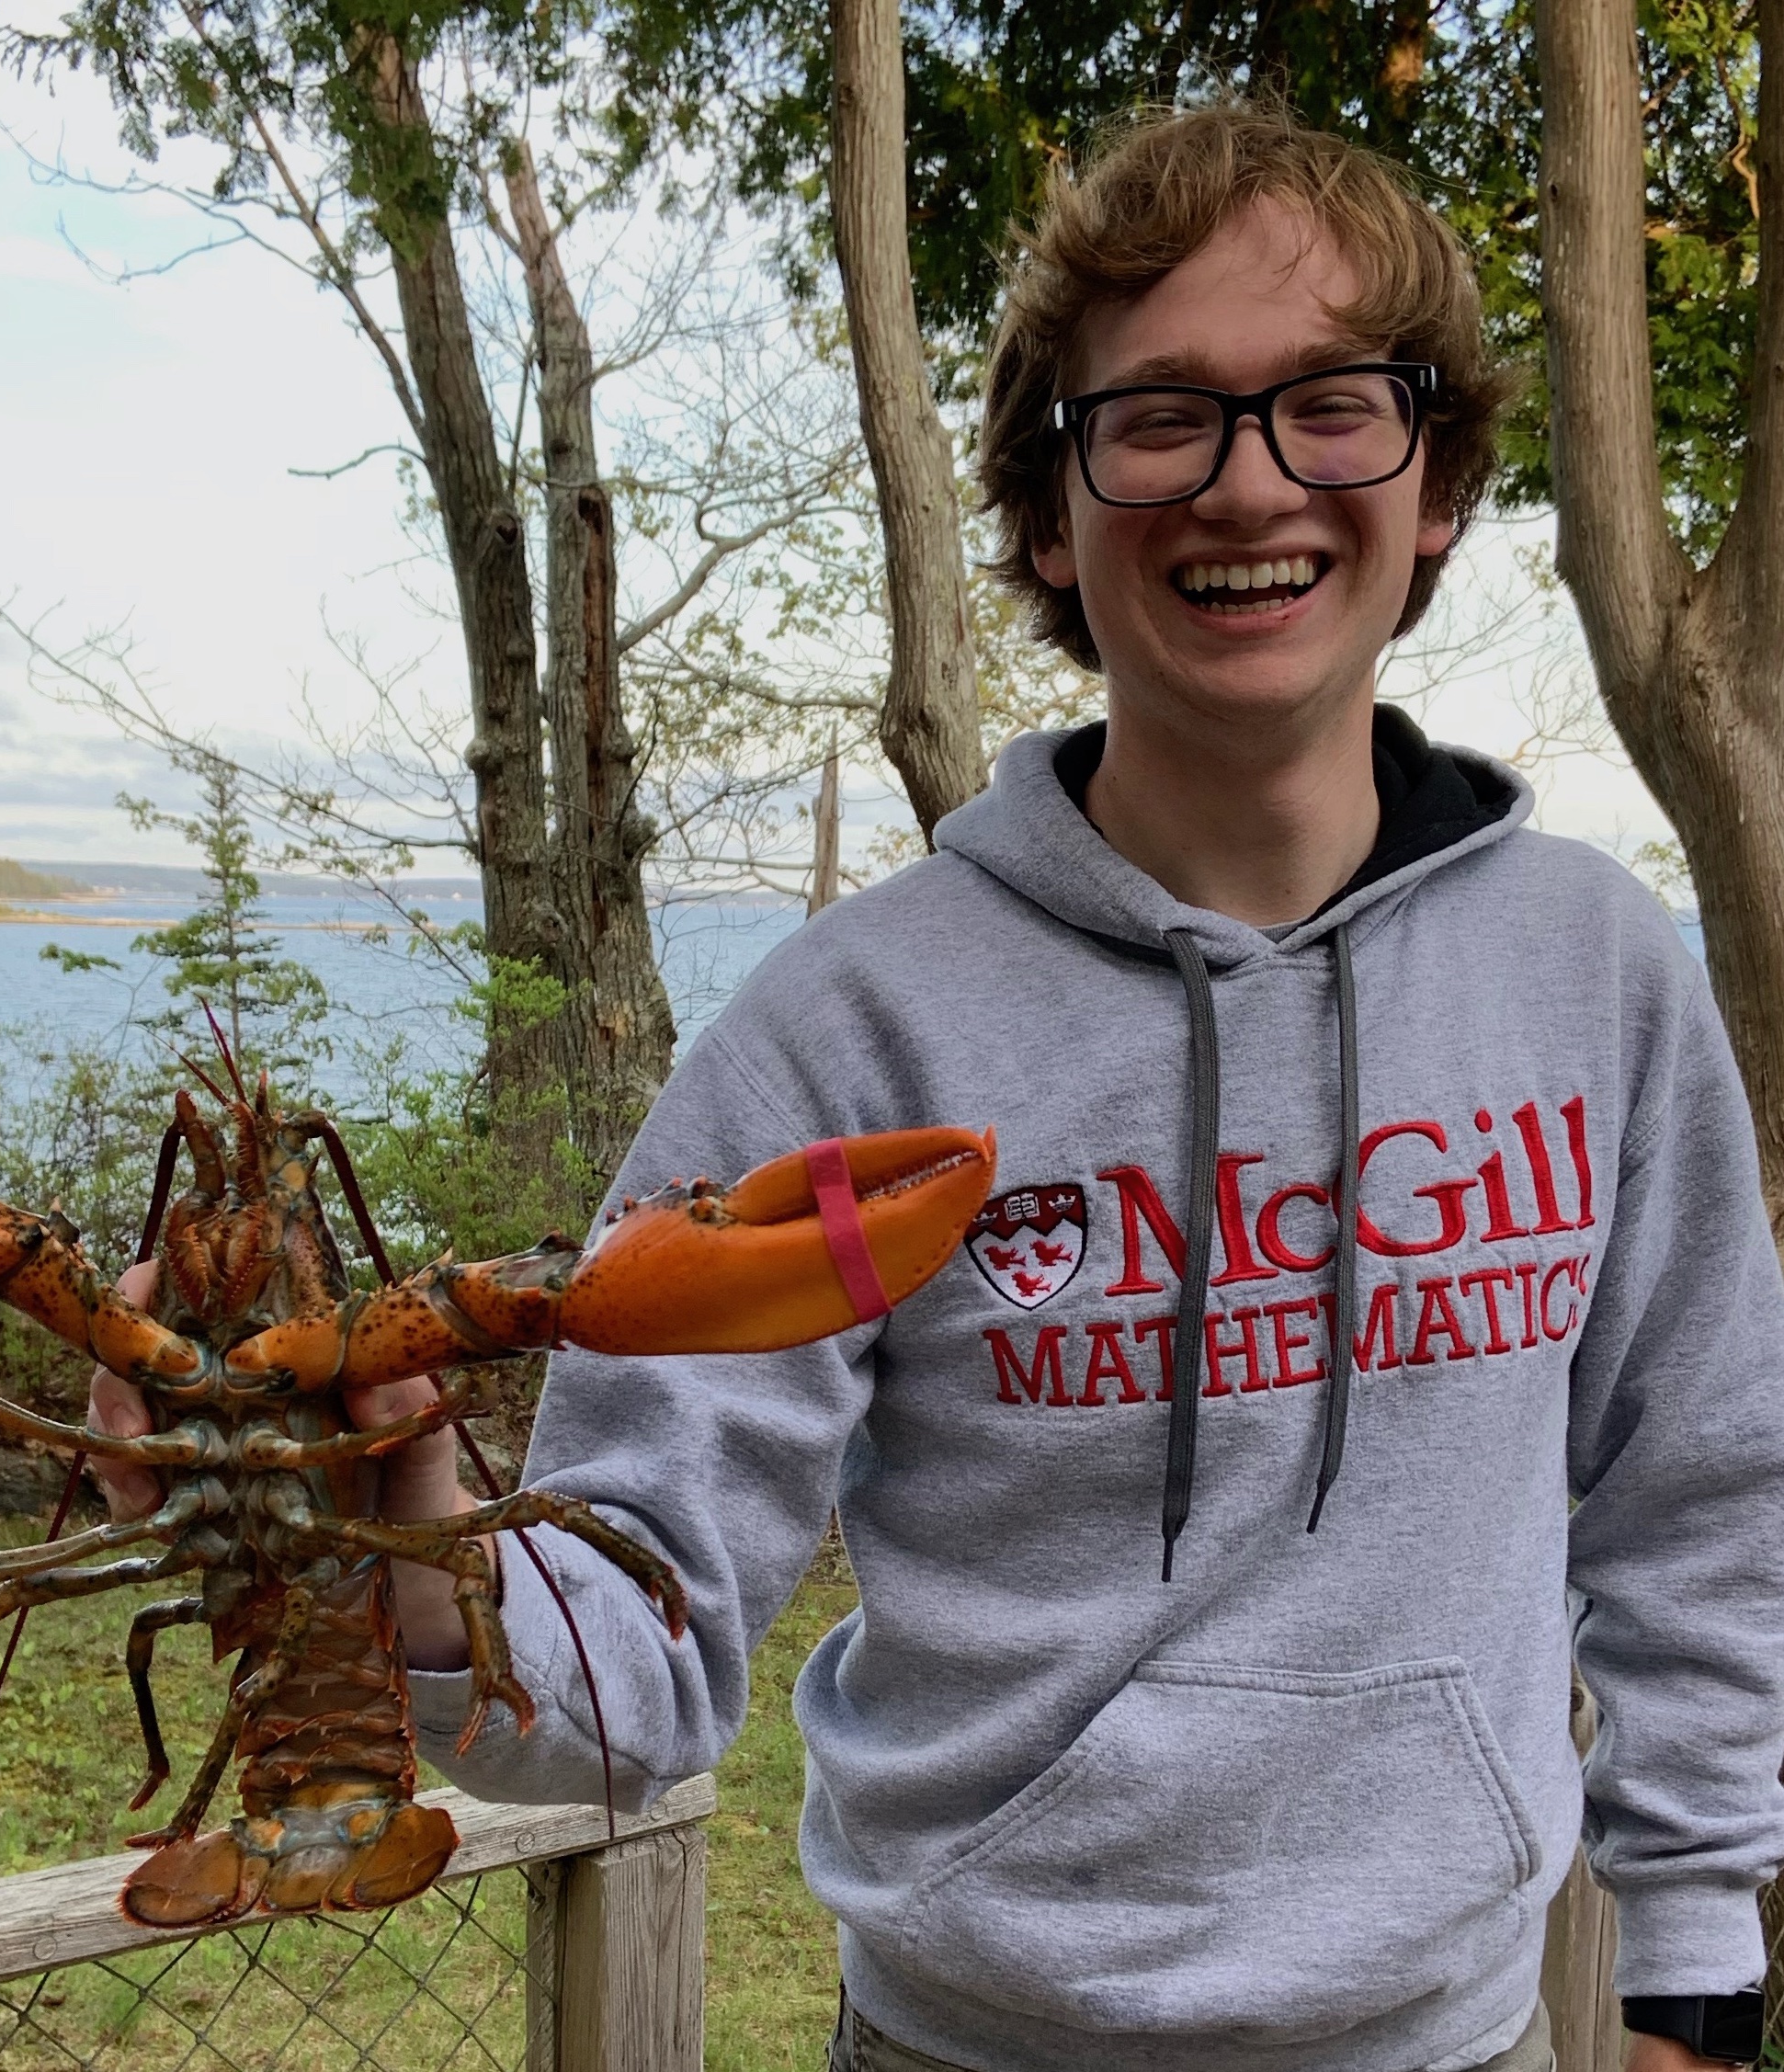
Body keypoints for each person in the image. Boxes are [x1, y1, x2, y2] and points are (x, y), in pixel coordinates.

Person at [93, 104, 1784, 2072]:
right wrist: (401, 1521)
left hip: (1458, 2035)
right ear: (1048, 519)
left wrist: (1688, 1959)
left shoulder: (1585, 968)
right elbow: (628, 1650)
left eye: (1328, 404)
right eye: (1153, 417)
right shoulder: (848, 1036)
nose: (1246, 486)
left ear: (1430, 484)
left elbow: (1698, 1494)